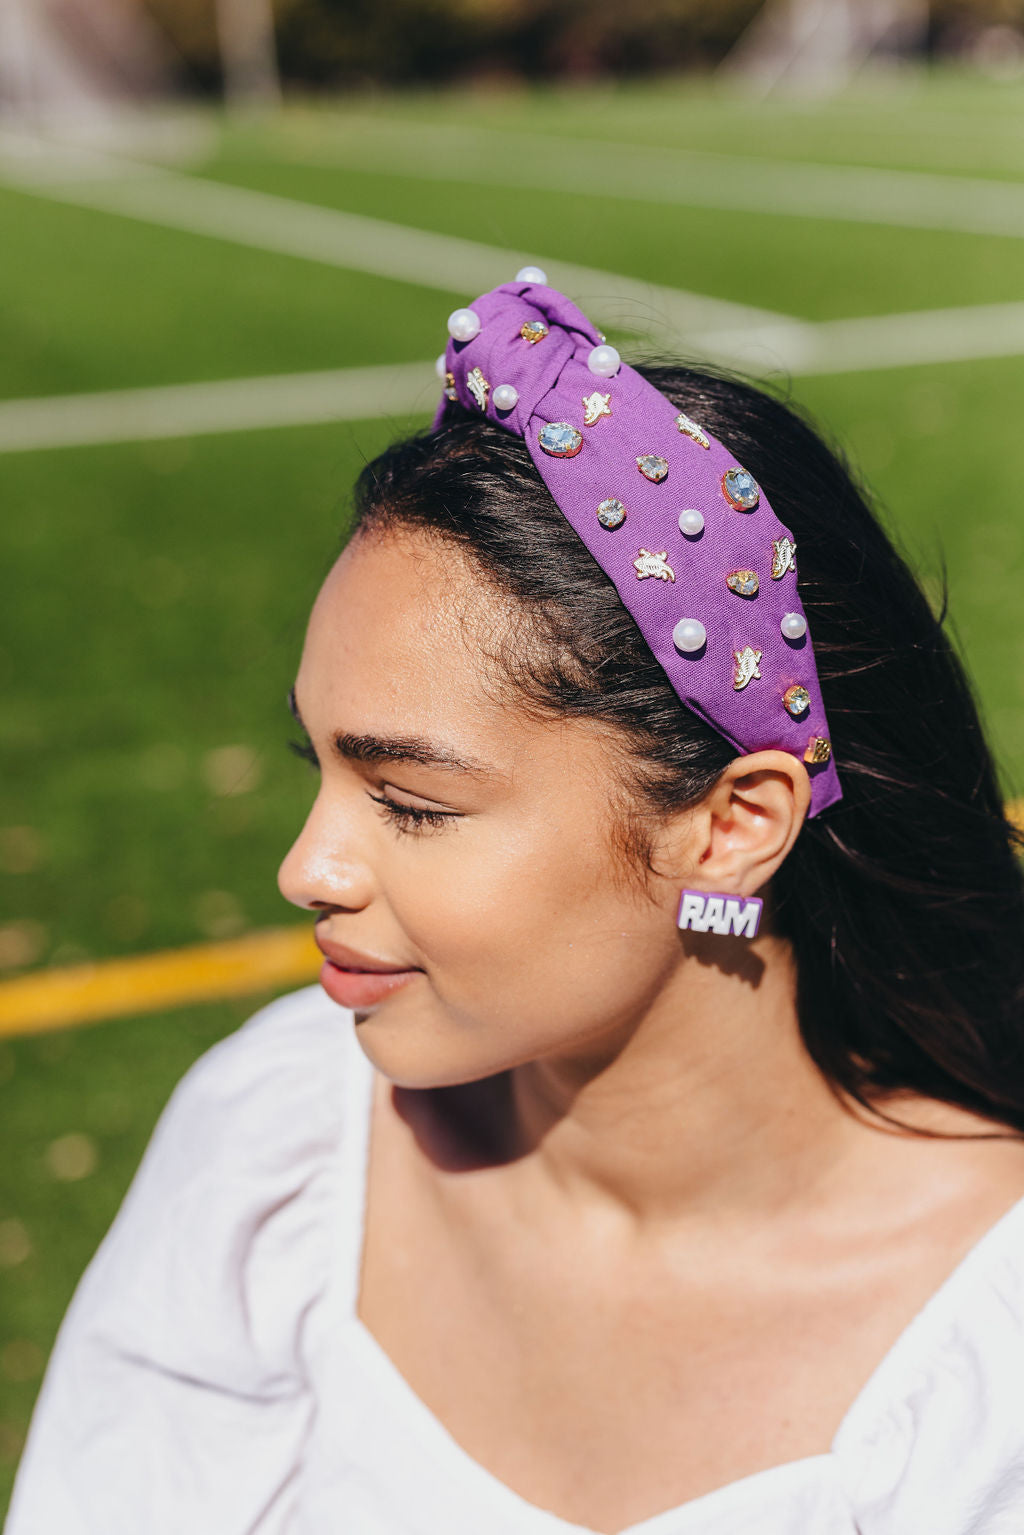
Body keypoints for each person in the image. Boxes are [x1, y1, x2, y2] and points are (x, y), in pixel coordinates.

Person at [7, 274, 1024, 1535]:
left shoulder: (989, 1370)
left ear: (732, 824)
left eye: (414, 801)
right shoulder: (279, 1144)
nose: (307, 866)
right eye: (316, 768)